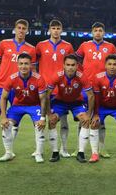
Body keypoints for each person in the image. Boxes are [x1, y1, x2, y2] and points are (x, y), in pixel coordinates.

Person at [0, 19, 36, 158]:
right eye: (19, 27)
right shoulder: (4, 44)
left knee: (14, 117)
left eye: (24, 28)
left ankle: (9, 150)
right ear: (15, 29)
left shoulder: (31, 49)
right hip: (1, 85)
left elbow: (32, 70)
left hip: (19, 88)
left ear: (27, 31)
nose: (21, 30)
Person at [75, 22, 116, 158]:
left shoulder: (110, 46)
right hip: (86, 88)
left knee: (100, 119)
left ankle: (101, 148)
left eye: (100, 30)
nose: (98, 33)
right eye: (95, 30)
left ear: (104, 32)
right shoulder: (84, 45)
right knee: (84, 117)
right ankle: (79, 148)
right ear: (92, 32)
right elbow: (77, 61)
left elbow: (115, 63)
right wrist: (82, 74)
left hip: (103, 88)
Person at [35, 19, 75, 158]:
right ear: (49, 30)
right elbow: (34, 64)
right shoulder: (40, 45)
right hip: (44, 89)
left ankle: (63, 149)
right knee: (41, 120)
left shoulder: (68, 46)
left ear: (61, 30)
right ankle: (38, 150)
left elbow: (72, 66)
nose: (56, 30)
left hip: (61, 89)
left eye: (58, 28)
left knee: (63, 120)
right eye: (53, 28)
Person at [46, 54, 95, 163]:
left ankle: (81, 153)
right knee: (52, 121)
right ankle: (55, 153)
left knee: (85, 121)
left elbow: (91, 95)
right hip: (60, 102)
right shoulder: (57, 75)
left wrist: (88, 113)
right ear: (63, 65)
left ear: (77, 66)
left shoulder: (82, 76)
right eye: (68, 65)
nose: (70, 67)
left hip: (76, 102)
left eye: (73, 65)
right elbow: (47, 95)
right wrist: (49, 114)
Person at [0, 53, 47, 163]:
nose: (23, 66)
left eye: (26, 64)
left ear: (31, 65)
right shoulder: (11, 78)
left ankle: (38, 153)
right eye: (21, 64)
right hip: (17, 106)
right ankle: (8, 153)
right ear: (17, 65)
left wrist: (43, 118)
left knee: (39, 125)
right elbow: (3, 98)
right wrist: (3, 117)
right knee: (6, 125)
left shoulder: (39, 78)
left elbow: (43, 99)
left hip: (34, 106)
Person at [91, 54, 116, 164]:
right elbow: (97, 98)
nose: (112, 67)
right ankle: (95, 153)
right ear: (105, 65)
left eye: (115, 64)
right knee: (94, 123)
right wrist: (96, 114)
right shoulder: (98, 78)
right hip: (102, 107)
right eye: (109, 64)